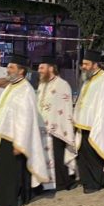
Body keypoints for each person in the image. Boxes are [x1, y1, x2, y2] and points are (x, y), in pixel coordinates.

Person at [0, 54, 49, 206]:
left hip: (13, 140)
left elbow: (25, 119)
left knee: (6, 175)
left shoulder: (26, 89)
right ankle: (1, 204)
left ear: (21, 71)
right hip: (3, 137)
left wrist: (19, 143)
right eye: (8, 67)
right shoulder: (11, 86)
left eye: (11, 67)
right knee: (0, 173)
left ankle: (6, 205)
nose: (8, 69)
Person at [73, 50, 104, 193]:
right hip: (82, 125)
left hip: (95, 126)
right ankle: (87, 180)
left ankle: (95, 183)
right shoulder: (88, 79)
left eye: (86, 64)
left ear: (94, 64)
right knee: (83, 156)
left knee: (94, 156)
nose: (83, 67)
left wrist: (98, 126)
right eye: (83, 64)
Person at [36, 56, 77, 192]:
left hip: (58, 127)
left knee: (58, 156)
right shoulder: (42, 85)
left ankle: (62, 182)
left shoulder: (62, 85)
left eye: (42, 68)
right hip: (42, 127)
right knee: (44, 157)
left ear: (51, 68)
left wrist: (56, 124)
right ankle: (46, 183)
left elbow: (65, 107)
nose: (39, 70)